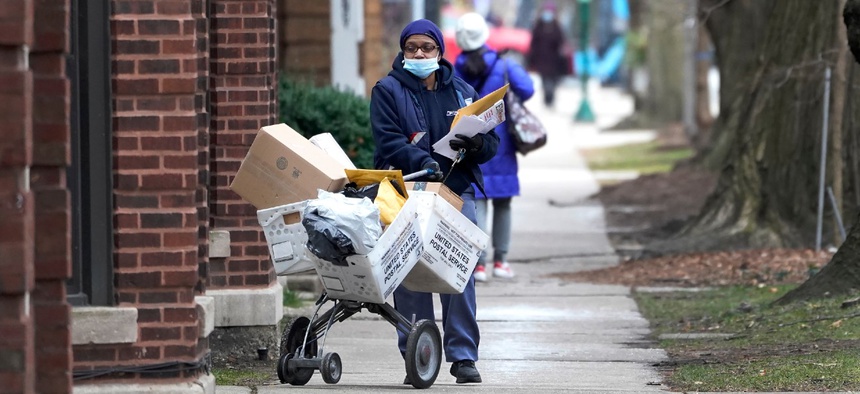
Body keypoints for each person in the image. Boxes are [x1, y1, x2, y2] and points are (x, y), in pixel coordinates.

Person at [369, 18, 500, 384]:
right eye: (412, 48)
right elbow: (388, 141)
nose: (420, 54)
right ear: (403, 51)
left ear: (440, 51)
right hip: (407, 190)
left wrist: (477, 145)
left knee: (458, 270)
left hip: (456, 191)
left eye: (427, 47)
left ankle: (463, 357)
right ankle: (417, 353)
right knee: (411, 273)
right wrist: (422, 161)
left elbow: (490, 142)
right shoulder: (387, 90)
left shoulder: (462, 92)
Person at [453, 13, 535, 282]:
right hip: (502, 145)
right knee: (503, 203)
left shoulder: (454, 69)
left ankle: (478, 265)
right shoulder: (504, 66)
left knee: (477, 201)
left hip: (471, 144)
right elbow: (528, 89)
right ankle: (501, 261)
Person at [527, 1, 567, 107]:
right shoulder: (538, 26)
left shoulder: (557, 27)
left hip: (554, 61)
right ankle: (547, 99)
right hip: (541, 60)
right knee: (545, 81)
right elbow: (533, 43)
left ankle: (551, 98)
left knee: (552, 81)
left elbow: (561, 42)